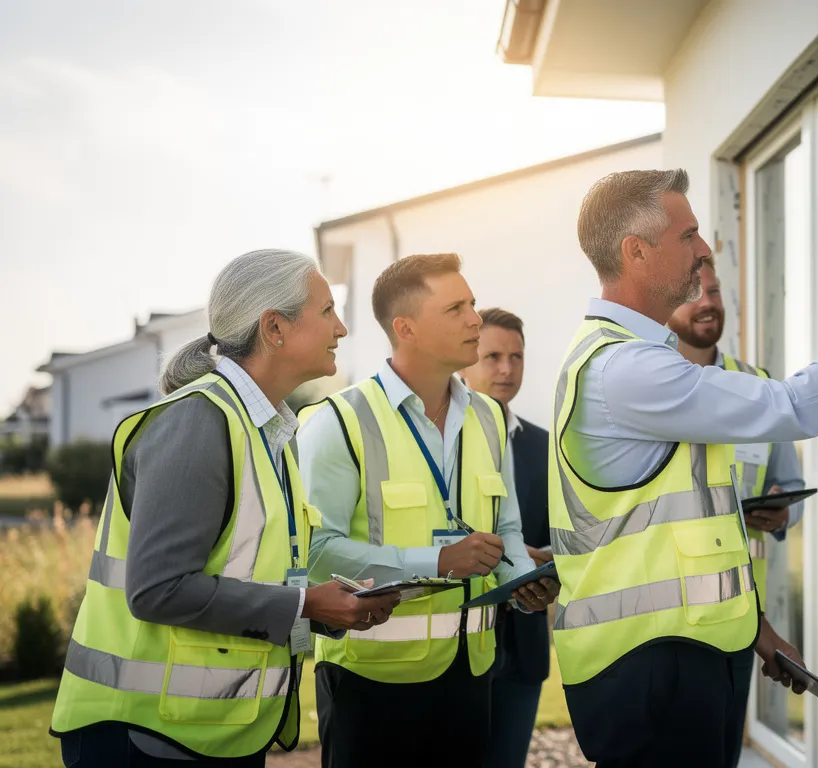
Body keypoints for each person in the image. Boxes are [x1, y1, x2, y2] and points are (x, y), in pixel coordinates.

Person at [552, 169, 818, 767]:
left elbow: (699, 533)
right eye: (688, 234)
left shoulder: (640, 362)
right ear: (635, 252)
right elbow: (796, 406)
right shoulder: (626, 370)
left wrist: (753, 628)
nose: (703, 250)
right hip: (646, 667)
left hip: (684, 653)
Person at [49, 249, 400, 767]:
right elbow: (157, 590)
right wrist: (307, 606)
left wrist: (326, 612)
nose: (342, 328)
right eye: (327, 311)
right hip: (143, 738)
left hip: (210, 733)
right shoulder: (197, 423)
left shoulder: (270, 432)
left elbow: (247, 580)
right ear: (274, 328)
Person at [296, 253, 559, 768]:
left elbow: (506, 531)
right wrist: (438, 563)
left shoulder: (488, 418)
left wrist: (526, 583)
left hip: (475, 674)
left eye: (473, 304)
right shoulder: (337, 422)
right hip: (370, 683)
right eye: (456, 308)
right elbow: (315, 552)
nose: (475, 320)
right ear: (406, 328)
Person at [666, 255, 806, 766]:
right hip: (670, 616)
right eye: (694, 293)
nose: (708, 304)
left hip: (744, 615)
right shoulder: (653, 390)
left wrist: (783, 514)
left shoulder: (758, 387)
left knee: (722, 750)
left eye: (716, 292)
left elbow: (791, 485)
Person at [461, 308, 552, 768]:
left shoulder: (544, 445)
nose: (506, 368)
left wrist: (541, 556)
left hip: (525, 642)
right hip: (458, 642)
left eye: (516, 357)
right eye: (493, 355)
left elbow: (572, 533)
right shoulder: (444, 440)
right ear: (464, 360)